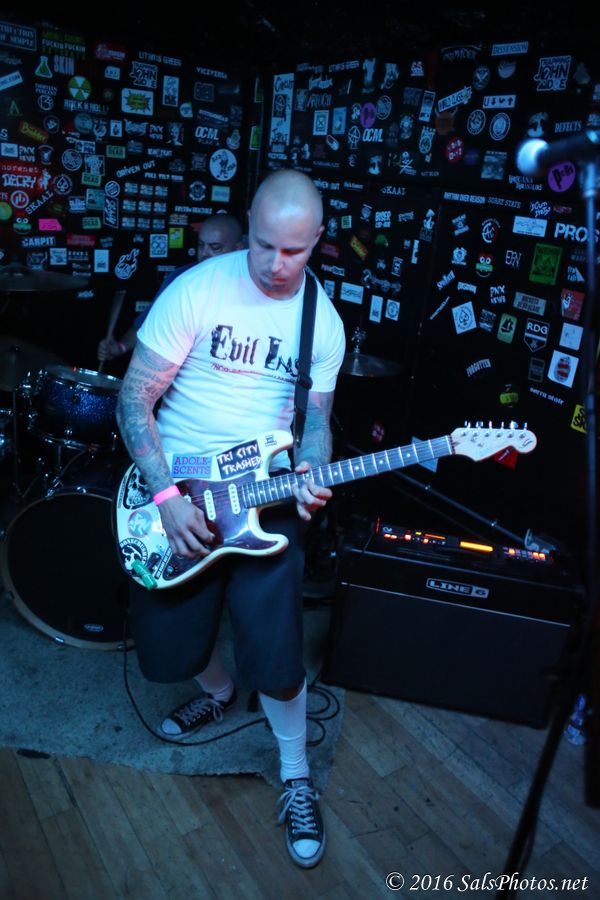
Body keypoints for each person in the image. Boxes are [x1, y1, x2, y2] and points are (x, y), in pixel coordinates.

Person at [115, 169, 346, 869]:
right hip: (178, 492)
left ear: (318, 240)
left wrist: (312, 470)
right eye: (264, 244)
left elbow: (316, 424)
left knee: (276, 655)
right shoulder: (197, 290)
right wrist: (166, 497)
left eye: (293, 251)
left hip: (264, 501)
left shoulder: (322, 323)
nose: (275, 264)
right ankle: (217, 692)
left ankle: (296, 776)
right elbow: (133, 398)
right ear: (249, 222)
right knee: (169, 652)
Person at [97, 214, 243, 361]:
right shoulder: (180, 278)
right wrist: (121, 347)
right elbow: (149, 322)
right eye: (200, 245)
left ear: (238, 249)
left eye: (215, 247)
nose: (204, 253)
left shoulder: (251, 284)